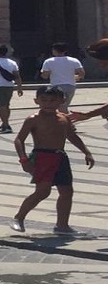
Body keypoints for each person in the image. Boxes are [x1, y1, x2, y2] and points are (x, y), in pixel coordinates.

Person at [10, 86, 94, 235]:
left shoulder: (64, 118)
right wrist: (24, 159)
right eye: (44, 100)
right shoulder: (33, 119)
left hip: (60, 156)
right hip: (42, 157)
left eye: (53, 100)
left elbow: (72, 136)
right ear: (37, 101)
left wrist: (86, 152)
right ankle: (19, 217)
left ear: (62, 101)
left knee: (67, 191)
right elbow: (19, 139)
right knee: (43, 192)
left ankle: (62, 225)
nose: (48, 103)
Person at [37, 42, 84, 112]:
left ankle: (64, 121)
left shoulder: (49, 62)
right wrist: (76, 77)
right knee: (64, 106)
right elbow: (81, 73)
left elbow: (45, 76)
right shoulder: (74, 60)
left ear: (54, 50)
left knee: (59, 107)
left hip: (56, 86)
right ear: (65, 51)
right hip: (70, 85)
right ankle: (64, 120)